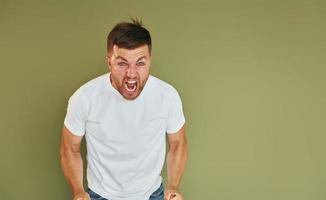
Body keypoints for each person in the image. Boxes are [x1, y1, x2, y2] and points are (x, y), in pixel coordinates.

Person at [60, 18, 188, 200]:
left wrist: (173, 186)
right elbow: (69, 148)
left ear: (150, 60)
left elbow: (178, 144)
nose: (131, 73)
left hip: (152, 194)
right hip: (100, 195)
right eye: (122, 63)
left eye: (140, 63)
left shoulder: (167, 96)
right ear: (109, 62)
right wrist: (78, 191)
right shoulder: (84, 97)